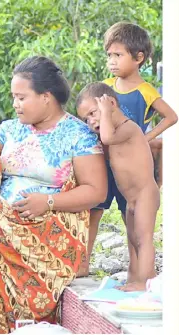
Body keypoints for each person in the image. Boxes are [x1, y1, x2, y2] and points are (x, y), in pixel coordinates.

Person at [0, 56, 107, 334]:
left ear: (46, 97)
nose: (15, 104)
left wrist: (48, 202)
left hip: (45, 239)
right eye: (14, 97)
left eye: (22, 97)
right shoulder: (9, 130)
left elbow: (96, 191)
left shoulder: (78, 135)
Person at [77, 22, 178, 278]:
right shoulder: (105, 87)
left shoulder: (145, 91)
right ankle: (82, 263)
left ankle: (138, 272)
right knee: (94, 210)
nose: (112, 61)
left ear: (139, 57)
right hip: (104, 164)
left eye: (118, 55)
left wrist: (146, 137)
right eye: (109, 55)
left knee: (129, 218)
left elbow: (171, 116)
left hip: (129, 171)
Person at [77, 81, 160, 291]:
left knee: (143, 238)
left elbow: (106, 137)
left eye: (93, 113)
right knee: (133, 238)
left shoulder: (128, 128)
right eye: (86, 119)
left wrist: (104, 113)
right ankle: (140, 278)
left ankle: (145, 281)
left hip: (144, 195)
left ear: (111, 103)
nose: (91, 121)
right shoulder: (113, 132)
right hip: (132, 200)